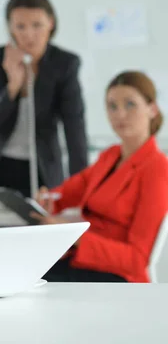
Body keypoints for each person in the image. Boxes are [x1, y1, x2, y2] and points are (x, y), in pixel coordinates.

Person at [33, 71, 168, 283]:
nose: (119, 114)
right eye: (112, 106)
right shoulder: (110, 156)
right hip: (81, 261)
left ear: (152, 109)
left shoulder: (157, 168)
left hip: (116, 274)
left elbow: (137, 259)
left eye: (130, 104)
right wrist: (47, 200)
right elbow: (68, 193)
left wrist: (76, 237)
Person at [0, 0, 88, 198]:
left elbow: (74, 128)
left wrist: (82, 187)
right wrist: (12, 87)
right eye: (20, 26)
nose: (29, 34)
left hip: (41, 171)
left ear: (51, 23)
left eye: (37, 25)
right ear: (10, 28)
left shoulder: (64, 64)